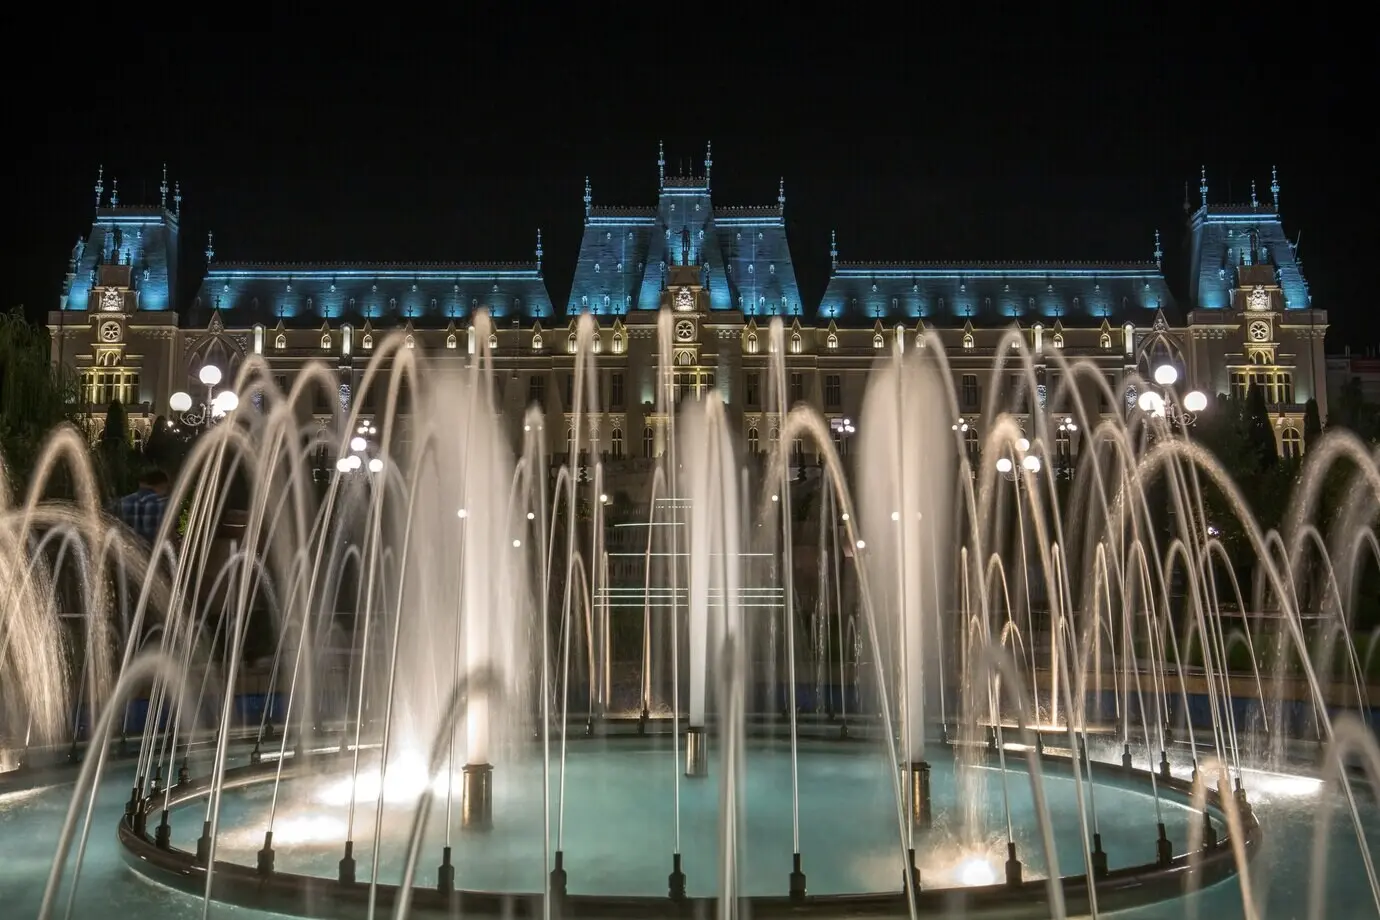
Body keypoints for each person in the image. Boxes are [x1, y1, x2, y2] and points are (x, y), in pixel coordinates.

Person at [113, 468, 171, 543]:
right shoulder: (156, 502)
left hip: (126, 546)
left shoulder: (124, 501)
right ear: (162, 485)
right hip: (148, 548)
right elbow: (154, 534)